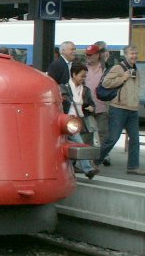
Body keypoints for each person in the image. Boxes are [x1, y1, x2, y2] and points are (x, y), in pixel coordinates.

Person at [96, 45, 144, 175]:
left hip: (132, 109)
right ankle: (95, 161)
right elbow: (106, 83)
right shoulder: (118, 68)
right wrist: (123, 77)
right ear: (125, 55)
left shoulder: (135, 69)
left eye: (135, 53)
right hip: (118, 108)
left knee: (135, 139)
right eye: (131, 53)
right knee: (113, 138)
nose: (134, 56)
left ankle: (133, 167)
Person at [60, 62, 97, 179]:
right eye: (82, 75)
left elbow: (92, 105)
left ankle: (68, 170)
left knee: (72, 147)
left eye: (85, 76)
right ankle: (88, 169)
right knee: (79, 144)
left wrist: (91, 108)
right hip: (68, 122)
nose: (83, 78)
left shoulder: (85, 90)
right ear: (74, 74)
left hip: (79, 121)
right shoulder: (64, 88)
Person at [84, 43, 109, 163]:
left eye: (90, 55)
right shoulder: (83, 68)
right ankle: (86, 159)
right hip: (87, 107)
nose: (88, 57)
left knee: (103, 132)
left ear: (97, 55)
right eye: (87, 54)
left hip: (101, 106)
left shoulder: (105, 68)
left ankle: (102, 156)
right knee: (87, 134)